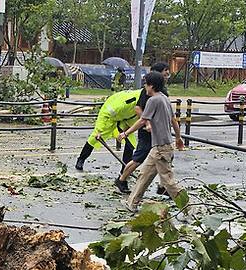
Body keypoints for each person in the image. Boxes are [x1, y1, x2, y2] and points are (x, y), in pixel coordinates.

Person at [116, 71, 184, 212]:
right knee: (144, 175)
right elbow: (174, 121)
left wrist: (125, 133)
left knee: (168, 182)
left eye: (146, 84)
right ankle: (132, 204)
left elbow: (142, 120)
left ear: (151, 86)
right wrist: (178, 138)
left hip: (161, 148)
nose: (145, 87)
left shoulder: (153, 100)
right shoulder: (164, 98)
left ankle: (189, 208)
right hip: (159, 147)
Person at [115, 62, 171, 194]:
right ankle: (122, 179)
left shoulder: (163, 93)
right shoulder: (148, 92)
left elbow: (170, 116)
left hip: (159, 134)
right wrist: (147, 124)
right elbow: (138, 110)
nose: (167, 75)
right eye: (165, 73)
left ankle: (164, 187)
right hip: (147, 133)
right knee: (139, 159)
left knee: (164, 160)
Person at [74, 89, 141, 193]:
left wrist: (127, 131)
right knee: (95, 138)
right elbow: (105, 114)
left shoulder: (146, 99)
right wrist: (99, 130)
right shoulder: (126, 103)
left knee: (131, 145)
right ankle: (81, 159)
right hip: (110, 115)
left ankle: (123, 174)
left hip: (125, 119)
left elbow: (138, 117)